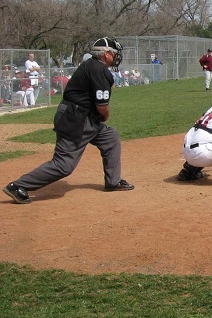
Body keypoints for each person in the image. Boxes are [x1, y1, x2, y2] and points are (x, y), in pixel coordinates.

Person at [3, 37, 134, 204]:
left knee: (110, 137)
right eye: (115, 53)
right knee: (63, 165)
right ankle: (18, 186)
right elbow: (102, 107)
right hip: (76, 120)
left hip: (83, 118)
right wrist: (104, 116)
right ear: (106, 55)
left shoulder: (92, 66)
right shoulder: (99, 70)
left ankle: (113, 181)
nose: (117, 57)